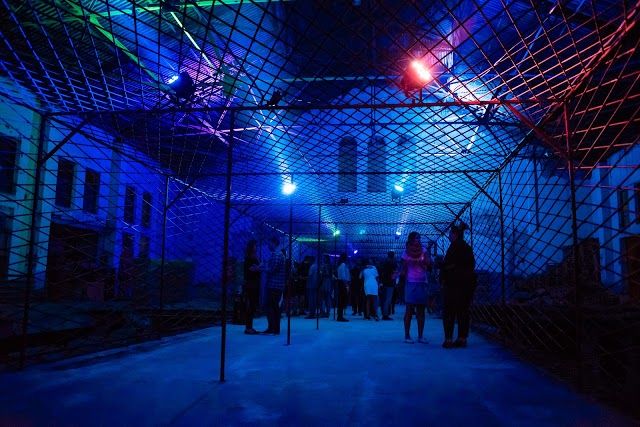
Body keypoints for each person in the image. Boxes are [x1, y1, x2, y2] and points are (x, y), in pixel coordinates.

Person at [441, 222, 476, 349]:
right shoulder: (467, 247)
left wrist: (443, 270)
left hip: (453, 284)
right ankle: (462, 338)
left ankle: (448, 339)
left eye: (450, 233)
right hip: (466, 284)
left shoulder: (453, 247)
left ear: (455, 234)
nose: (449, 236)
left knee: (449, 312)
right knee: (463, 311)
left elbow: (448, 265)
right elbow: (472, 265)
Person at [401, 232, 432, 344]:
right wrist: (400, 274)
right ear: (410, 239)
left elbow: (429, 263)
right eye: (415, 238)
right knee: (409, 310)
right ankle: (407, 335)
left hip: (422, 282)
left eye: (419, 238)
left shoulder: (423, 250)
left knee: (421, 310)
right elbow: (403, 268)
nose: (418, 240)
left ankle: (420, 336)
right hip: (411, 282)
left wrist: (424, 261)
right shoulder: (406, 252)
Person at [263, 236, 286, 335]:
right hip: (277, 285)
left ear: (273, 243)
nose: (268, 245)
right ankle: (275, 328)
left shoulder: (276, 255)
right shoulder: (279, 254)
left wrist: (261, 268)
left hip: (274, 285)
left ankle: (272, 328)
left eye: (269, 243)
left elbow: (272, 269)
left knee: (271, 307)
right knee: (275, 307)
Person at [243, 240, 262, 334]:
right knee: (251, 305)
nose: (256, 247)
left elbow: (256, 268)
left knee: (253, 305)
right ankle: (248, 327)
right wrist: (259, 267)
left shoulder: (254, 257)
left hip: (255, 283)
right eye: (255, 245)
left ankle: (250, 326)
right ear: (251, 247)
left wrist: (258, 267)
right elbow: (251, 269)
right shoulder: (249, 258)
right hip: (251, 283)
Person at [379, 251, 397, 320]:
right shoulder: (391, 263)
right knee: (388, 299)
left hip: (385, 283)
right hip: (389, 283)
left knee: (384, 299)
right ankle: (385, 315)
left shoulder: (384, 262)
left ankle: (384, 313)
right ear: (392, 256)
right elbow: (394, 273)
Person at [335, 253, 351, 322]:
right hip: (343, 283)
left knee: (341, 299)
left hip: (341, 282)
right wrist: (346, 284)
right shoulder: (343, 265)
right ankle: (340, 316)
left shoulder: (340, 265)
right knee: (342, 299)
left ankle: (340, 315)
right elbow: (344, 276)